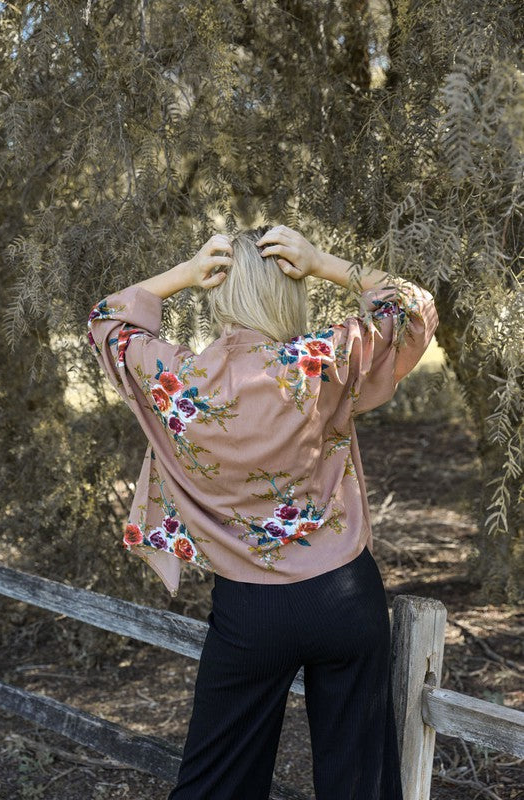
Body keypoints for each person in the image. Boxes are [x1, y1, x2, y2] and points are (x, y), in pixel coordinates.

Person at [87, 225, 439, 799]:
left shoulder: (181, 382)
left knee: (215, 785)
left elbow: (106, 321)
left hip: (250, 611)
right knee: (361, 785)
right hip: (345, 594)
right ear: (287, 293)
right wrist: (323, 262)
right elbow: (411, 304)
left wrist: (184, 273)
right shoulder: (317, 362)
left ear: (219, 293)